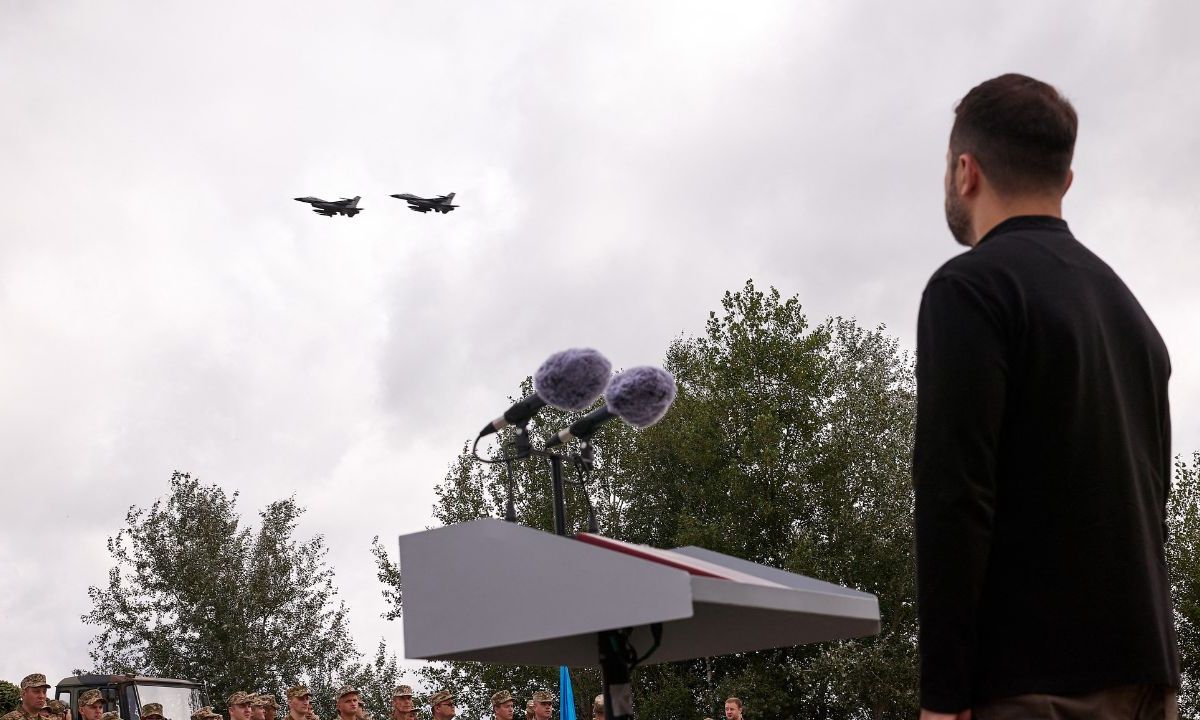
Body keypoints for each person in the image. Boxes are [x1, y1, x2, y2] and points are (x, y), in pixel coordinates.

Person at [915, 72, 1180, 720]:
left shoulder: (970, 290)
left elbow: (956, 496)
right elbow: (1152, 500)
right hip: (1149, 678)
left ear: (965, 172)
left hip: (1033, 685)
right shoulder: (1133, 318)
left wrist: (942, 698)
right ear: (1065, 180)